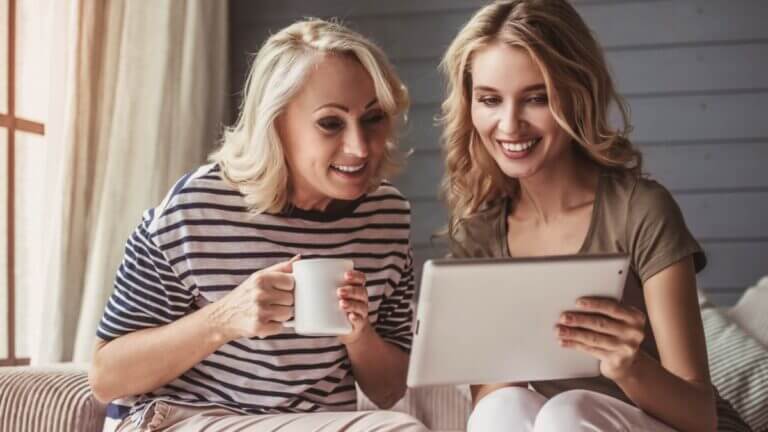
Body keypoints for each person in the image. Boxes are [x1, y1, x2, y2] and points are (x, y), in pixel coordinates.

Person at [89, 18, 427, 432]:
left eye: (372, 119)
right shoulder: (195, 208)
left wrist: (359, 336)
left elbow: (389, 390)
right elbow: (106, 377)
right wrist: (224, 319)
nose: (359, 147)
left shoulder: (386, 217)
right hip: (180, 418)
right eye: (331, 123)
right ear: (276, 124)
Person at [438, 1, 750, 431]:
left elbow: (700, 416)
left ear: (577, 94)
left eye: (536, 98)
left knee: (569, 412)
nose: (509, 125)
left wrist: (628, 366)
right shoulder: (480, 236)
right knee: (501, 407)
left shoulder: (640, 210)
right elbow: (494, 405)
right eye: (490, 100)